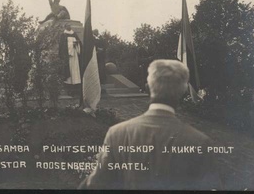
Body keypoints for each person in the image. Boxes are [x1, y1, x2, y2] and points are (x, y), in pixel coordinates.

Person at [79, 59, 222, 190]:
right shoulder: (200, 142)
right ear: (183, 92)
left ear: (147, 88)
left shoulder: (117, 133)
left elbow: (95, 185)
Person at [59, 24, 82, 89]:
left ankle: (76, 84)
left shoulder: (74, 34)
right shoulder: (63, 35)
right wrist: (71, 44)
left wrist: (77, 44)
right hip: (67, 55)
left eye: (70, 25)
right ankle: (69, 86)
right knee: (69, 70)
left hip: (74, 54)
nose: (69, 27)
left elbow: (79, 43)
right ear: (65, 27)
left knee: (75, 69)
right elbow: (62, 46)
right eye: (67, 26)